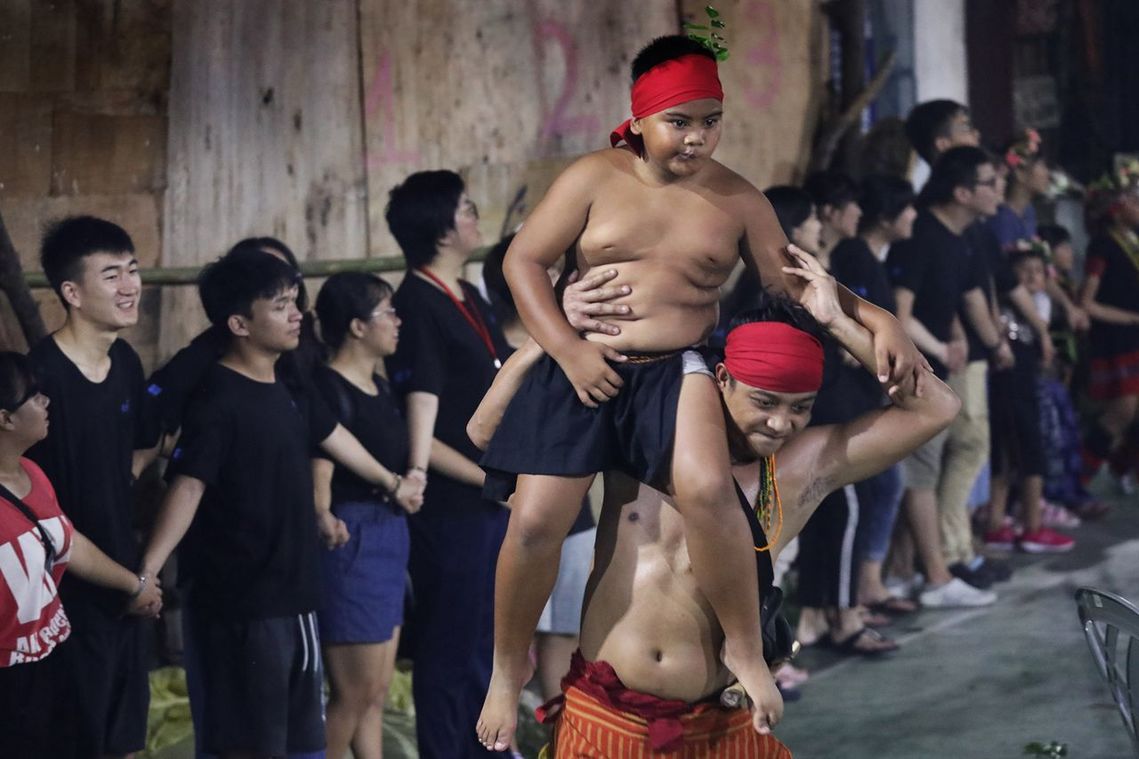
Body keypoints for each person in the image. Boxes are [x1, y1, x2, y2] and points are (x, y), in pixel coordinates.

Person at [476, 37, 924, 750]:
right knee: (534, 524)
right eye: (679, 120)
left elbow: (798, 285)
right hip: (584, 360)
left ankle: (745, 647)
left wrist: (876, 317)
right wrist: (565, 347)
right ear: (642, 118)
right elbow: (520, 260)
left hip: (676, 367)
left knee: (707, 489)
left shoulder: (737, 198)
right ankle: (507, 669)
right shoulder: (592, 177)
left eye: (710, 120)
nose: (696, 136)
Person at [469, 248, 960, 756]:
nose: (780, 424)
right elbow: (485, 432)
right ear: (721, 380)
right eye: (764, 403)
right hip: (609, 717)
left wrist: (839, 319)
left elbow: (936, 407)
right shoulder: (645, 433)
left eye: (800, 409)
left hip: (724, 723)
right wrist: (550, 338)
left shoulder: (803, 467)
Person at [140, 252, 421, 759]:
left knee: (303, 741)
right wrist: (148, 571)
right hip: (242, 604)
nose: (297, 315)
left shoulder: (289, 385)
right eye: (281, 306)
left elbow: (333, 436)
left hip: (296, 597)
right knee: (253, 743)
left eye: (295, 302)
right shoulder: (218, 400)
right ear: (239, 324)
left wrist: (393, 481)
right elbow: (187, 487)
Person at [384, 170, 514, 758]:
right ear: (440, 228)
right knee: (449, 648)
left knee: (484, 643)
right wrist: (488, 479)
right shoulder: (415, 304)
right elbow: (420, 431)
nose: (475, 216)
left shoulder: (465, 295)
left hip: (487, 502)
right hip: (453, 509)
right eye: (466, 207)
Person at [25, 215, 161, 759]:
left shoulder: (124, 361)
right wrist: (127, 583)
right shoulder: (40, 382)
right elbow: (34, 515)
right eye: (111, 275)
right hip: (64, 597)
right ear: (72, 292)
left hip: (122, 587)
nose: (130, 286)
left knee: (125, 740)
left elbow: (146, 443)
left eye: (132, 270)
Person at [0, 351, 162, 758]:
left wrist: (135, 585)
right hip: (12, 684)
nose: (47, 403)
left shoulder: (32, 474)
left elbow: (68, 542)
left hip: (56, 663)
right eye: (35, 397)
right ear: (5, 419)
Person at [311, 272, 423, 759]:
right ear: (357, 326)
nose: (398, 322)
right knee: (352, 694)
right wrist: (320, 509)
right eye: (388, 313)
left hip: (388, 536)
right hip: (351, 538)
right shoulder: (328, 387)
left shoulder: (379, 385)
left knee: (376, 692)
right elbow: (320, 459)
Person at [483, 237, 598, 703]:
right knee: (528, 645)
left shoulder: (584, 343)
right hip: (524, 518)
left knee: (567, 642)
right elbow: (478, 431)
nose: (564, 281)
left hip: (578, 520)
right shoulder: (502, 350)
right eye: (544, 271)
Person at [887, 146, 1003, 607]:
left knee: (933, 465)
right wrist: (940, 349)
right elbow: (900, 314)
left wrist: (980, 342)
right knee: (919, 471)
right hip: (917, 372)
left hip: (939, 366)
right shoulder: (922, 235)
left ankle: (910, 568)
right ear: (961, 192)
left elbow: (959, 299)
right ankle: (936, 576)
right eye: (990, 182)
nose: (998, 190)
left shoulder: (961, 237)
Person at [982, 247, 1075, 552]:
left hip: (1023, 382)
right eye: (1025, 271)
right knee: (1014, 450)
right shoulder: (1004, 307)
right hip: (1008, 381)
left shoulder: (1041, 305)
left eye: (1039, 270)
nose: (1033, 276)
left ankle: (1007, 520)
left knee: (1021, 449)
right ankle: (1028, 526)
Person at [1079, 160, 1139, 491]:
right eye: (1133, 198)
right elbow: (1087, 302)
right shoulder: (1103, 245)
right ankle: (1079, 478)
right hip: (1117, 337)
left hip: (1133, 336)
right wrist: (1131, 318)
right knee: (1122, 410)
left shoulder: (1132, 242)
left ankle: (1123, 467)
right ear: (1117, 208)